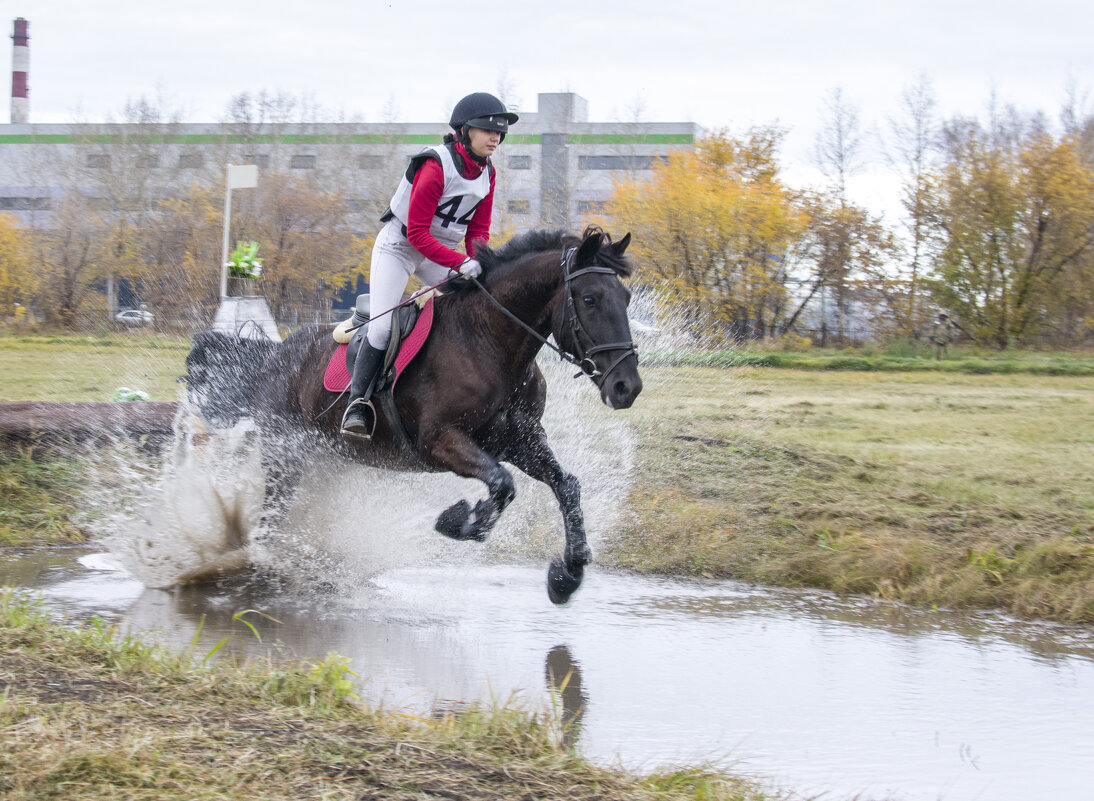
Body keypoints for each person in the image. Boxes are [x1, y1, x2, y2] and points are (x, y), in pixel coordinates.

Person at [342, 92, 518, 437]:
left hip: (442, 252)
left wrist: (479, 261)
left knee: (478, 302)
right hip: (401, 246)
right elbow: (419, 234)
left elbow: (478, 230)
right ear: (465, 130)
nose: (495, 137)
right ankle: (357, 403)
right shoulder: (436, 165)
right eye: (488, 130)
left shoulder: (488, 172)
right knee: (380, 327)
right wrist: (460, 262)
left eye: (500, 133)